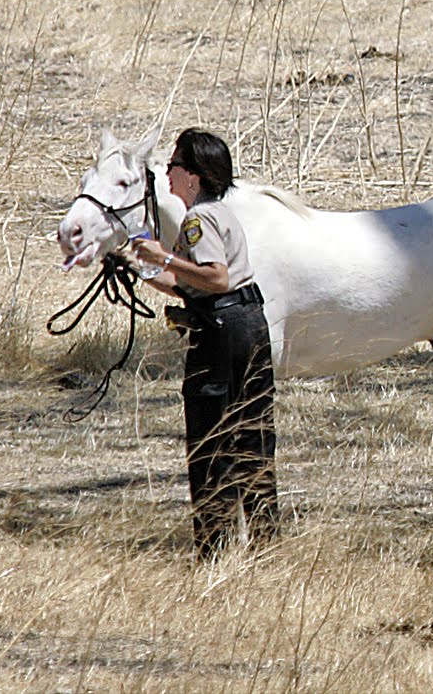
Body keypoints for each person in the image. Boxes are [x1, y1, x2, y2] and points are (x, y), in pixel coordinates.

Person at [130, 128, 279, 560]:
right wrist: (137, 264)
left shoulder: (198, 221)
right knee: (252, 435)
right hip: (248, 322)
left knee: (210, 440)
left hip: (220, 331)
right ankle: (265, 541)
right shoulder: (221, 213)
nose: (168, 174)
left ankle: (214, 550)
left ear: (193, 176)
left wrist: (164, 258)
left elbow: (215, 277)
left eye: (174, 165)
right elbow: (188, 284)